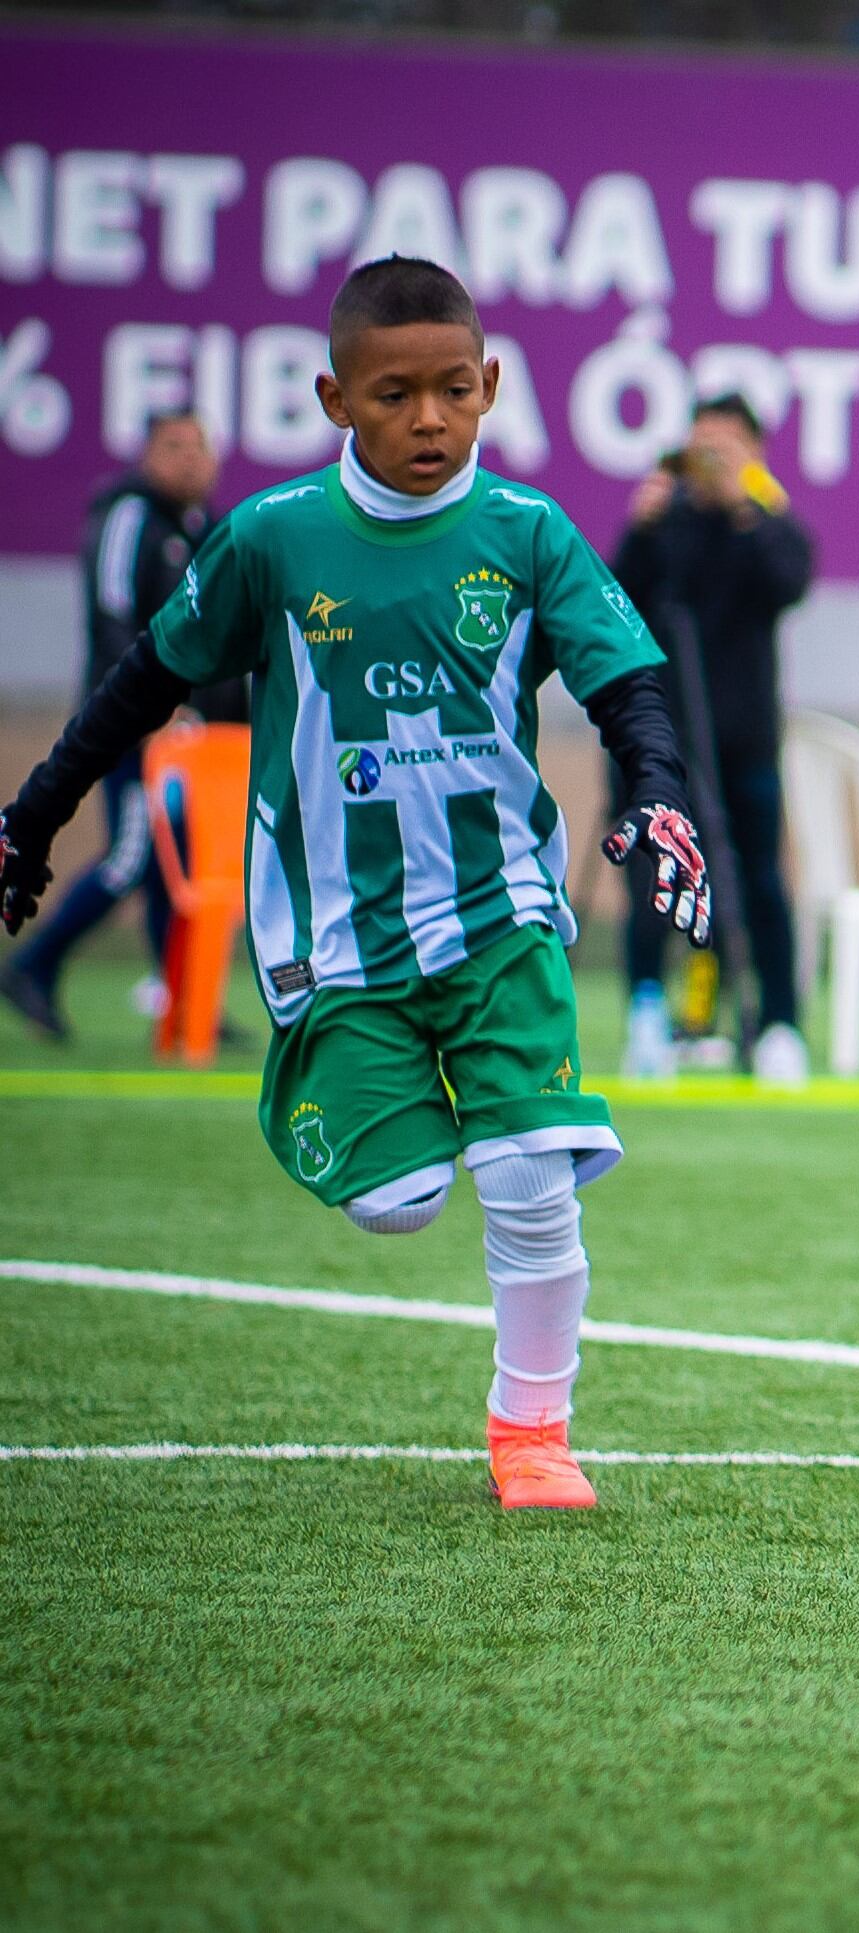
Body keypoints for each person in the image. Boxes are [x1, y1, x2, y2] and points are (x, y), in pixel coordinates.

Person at [0, 255, 713, 1509]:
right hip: (333, 934)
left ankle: (531, 1435)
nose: (427, 419)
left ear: (490, 386)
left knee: (534, 1174)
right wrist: (35, 813)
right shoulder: (273, 540)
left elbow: (629, 686)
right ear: (336, 398)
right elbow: (141, 684)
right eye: (393, 395)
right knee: (394, 1205)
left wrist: (657, 787)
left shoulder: (529, 534)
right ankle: (340, 1085)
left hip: (503, 916)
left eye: (453, 391)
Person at [0, 409, 231, 1040]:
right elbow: (113, 623)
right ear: (147, 456)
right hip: (131, 729)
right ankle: (32, 965)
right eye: (174, 446)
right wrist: (145, 713)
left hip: (190, 738)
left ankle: (184, 999)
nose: (191, 458)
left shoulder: (204, 528)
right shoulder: (129, 517)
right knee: (133, 857)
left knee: (173, 860)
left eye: (200, 445)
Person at [613, 394, 815, 1086]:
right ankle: (647, 1014)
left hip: (743, 738)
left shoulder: (766, 523)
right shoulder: (666, 525)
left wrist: (739, 503)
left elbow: (790, 579)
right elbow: (617, 602)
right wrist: (641, 528)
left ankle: (780, 1023)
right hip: (661, 738)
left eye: (724, 448)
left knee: (758, 880)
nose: (709, 462)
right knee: (651, 877)